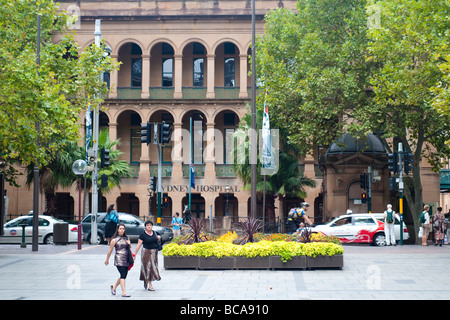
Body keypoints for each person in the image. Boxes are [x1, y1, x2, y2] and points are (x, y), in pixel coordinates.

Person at [104, 224, 132, 297]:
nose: (122, 230)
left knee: (124, 275)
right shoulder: (114, 240)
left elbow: (129, 247)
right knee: (123, 275)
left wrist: (129, 244)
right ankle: (124, 292)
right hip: (119, 259)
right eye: (120, 228)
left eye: (123, 229)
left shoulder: (127, 238)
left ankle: (114, 286)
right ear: (117, 230)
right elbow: (110, 250)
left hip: (126, 259)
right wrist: (107, 259)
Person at [133, 220, 161, 291]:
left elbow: (159, 241)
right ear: (145, 226)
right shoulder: (142, 235)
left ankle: (146, 280)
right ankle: (150, 285)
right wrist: (134, 254)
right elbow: (139, 245)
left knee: (153, 267)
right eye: (147, 225)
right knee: (148, 268)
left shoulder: (155, 233)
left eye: (150, 225)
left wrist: (159, 238)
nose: (149, 226)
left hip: (154, 253)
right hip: (146, 253)